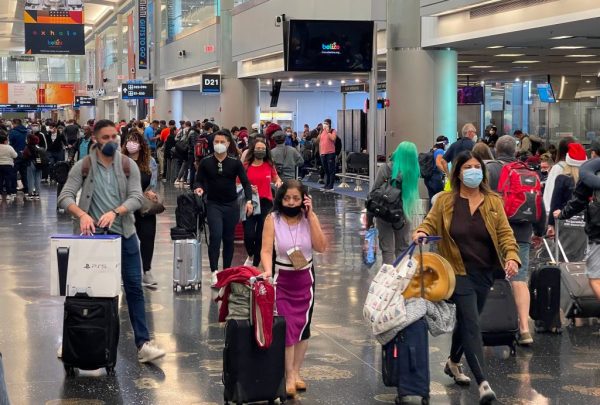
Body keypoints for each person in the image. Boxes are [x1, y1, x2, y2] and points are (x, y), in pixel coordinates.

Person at [414, 150, 520, 404]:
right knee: (472, 322)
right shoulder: (445, 201)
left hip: (484, 273)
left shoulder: (492, 201)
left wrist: (512, 256)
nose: (474, 170)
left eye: (477, 166)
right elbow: (429, 222)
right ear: (458, 172)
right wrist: (421, 231)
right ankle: (484, 384)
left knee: (466, 322)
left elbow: (505, 233)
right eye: (468, 167)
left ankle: (452, 362)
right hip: (456, 272)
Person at [58, 119, 165, 363]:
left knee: (135, 288)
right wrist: (83, 214)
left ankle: (143, 344)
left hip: (125, 235)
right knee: (83, 290)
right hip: (93, 239)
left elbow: (137, 197)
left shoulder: (128, 166)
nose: (110, 141)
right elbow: (64, 196)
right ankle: (70, 341)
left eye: (113, 136)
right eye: (104, 137)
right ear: (95, 139)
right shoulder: (83, 166)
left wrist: (116, 211)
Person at [260, 180, 327, 398]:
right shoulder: (273, 219)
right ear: (280, 199)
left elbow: (321, 247)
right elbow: (266, 250)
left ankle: (297, 371)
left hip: (305, 278)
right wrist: (268, 272)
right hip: (282, 278)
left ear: (304, 200)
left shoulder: (309, 219)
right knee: (287, 327)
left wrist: (312, 216)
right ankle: (288, 375)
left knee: (303, 326)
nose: (291, 202)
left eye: (296, 198)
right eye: (287, 198)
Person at [486, 135, 546, 346]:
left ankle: (489, 323)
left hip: (494, 233)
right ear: (515, 151)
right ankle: (523, 329)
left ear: (496, 150)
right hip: (522, 232)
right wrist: (539, 230)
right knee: (519, 279)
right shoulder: (528, 171)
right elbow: (539, 203)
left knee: (490, 278)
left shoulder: (489, 169)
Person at [193, 130, 253, 287]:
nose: (219, 144)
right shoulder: (206, 162)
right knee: (215, 236)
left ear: (228, 144)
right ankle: (214, 271)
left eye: (222, 142)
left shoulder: (235, 162)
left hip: (231, 205)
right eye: (216, 142)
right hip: (213, 204)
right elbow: (198, 181)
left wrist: (249, 200)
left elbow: (246, 183)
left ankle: (226, 271)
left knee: (228, 239)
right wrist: (198, 188)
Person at [556, 153, 600, 300]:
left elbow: (578, 201)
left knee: (595, 278)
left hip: (598, 235)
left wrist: (562, 214)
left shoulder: (589, 174)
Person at [368, 142, 420, 264]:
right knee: (403, 248)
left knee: (387, 249)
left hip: (384, 211)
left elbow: (374, 192)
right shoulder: (414, 172)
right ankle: (401, 279)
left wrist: (369, 218)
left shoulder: (385, 168)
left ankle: (387, 279)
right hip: (404, 213)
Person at [122, 131, 160, 287]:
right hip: (125, 206)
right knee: (125, 239)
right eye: (129, 140)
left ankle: (146, 271)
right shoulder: (120, 161)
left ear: (141, 144)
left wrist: (150, 192)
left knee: (147, 237)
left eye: (135, 140)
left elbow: (153, 184)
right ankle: (125, 272)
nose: (132, 143)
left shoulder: (149, 161)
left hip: (144, 206)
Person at [242, 139, 282, 267]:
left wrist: (278, 182)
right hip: (249, 203)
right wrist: (247, 187)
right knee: (249, 235)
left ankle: (255, 264)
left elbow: (276, 177)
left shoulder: (269, 165)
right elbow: (237, 182)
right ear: (253, 150)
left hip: (266, 203)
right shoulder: (246, 166)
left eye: (263, 148)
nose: (260, 151)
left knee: (260, 235)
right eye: (258, 148)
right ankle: (250, 254)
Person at [548, 143, 587, 238]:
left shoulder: (562, 178)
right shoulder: (588, 180)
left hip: (565, 222)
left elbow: (555, 203)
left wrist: (551, 224)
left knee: (564, 251)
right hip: (584, 224)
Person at [543, 137, 575, 215]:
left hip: (557, 213)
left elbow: (549, 193)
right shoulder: (579, 167)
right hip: (574, 213)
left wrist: (548, 216)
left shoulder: (557, 168)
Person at [8, 119, 29, 196]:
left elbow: (10, 143)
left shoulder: (13, 132)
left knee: (13, 173)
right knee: (24, 173)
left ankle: (13, 190)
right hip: (25, 154)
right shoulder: (27, 131)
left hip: (16, 155)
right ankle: (26, 190)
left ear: (15, 124)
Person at [425, 136, 447, 205]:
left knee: (432, 200)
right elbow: (438, 163)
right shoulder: (440, 151)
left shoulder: (433, 150)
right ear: (443, 143)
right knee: (439, 199)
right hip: (436, 178)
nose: (447, 145)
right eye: (447, 143)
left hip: (429, 178)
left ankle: (431, 215)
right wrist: (446, 173)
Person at [22, 134, 44, 201]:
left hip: (31, 163)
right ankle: (37, 194)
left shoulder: (28, 147)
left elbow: (25, 156)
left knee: (30, 179)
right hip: (39, 164)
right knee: (37, 178)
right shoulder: (38, 147)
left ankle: (30, 194)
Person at [319, 119, 337, 191]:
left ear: (329, 124)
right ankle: (327, 184)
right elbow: (321, 142)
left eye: (326, 123)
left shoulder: (333, 130)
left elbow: (333, 139)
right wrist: (320, 152)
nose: (324, 125)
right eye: (324, 123)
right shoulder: (322, 131)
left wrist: (328, 131)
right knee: (326, 170)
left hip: (330, 153)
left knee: (331, 170)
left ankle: (331, 185)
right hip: (323, 153)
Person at [0, 133, 17, 202]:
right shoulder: (9, 147)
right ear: (5, 141)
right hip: (8, 165)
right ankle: (8, 195)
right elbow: (15, 155)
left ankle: (0, 195)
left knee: (0, 180)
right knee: (8, 180)